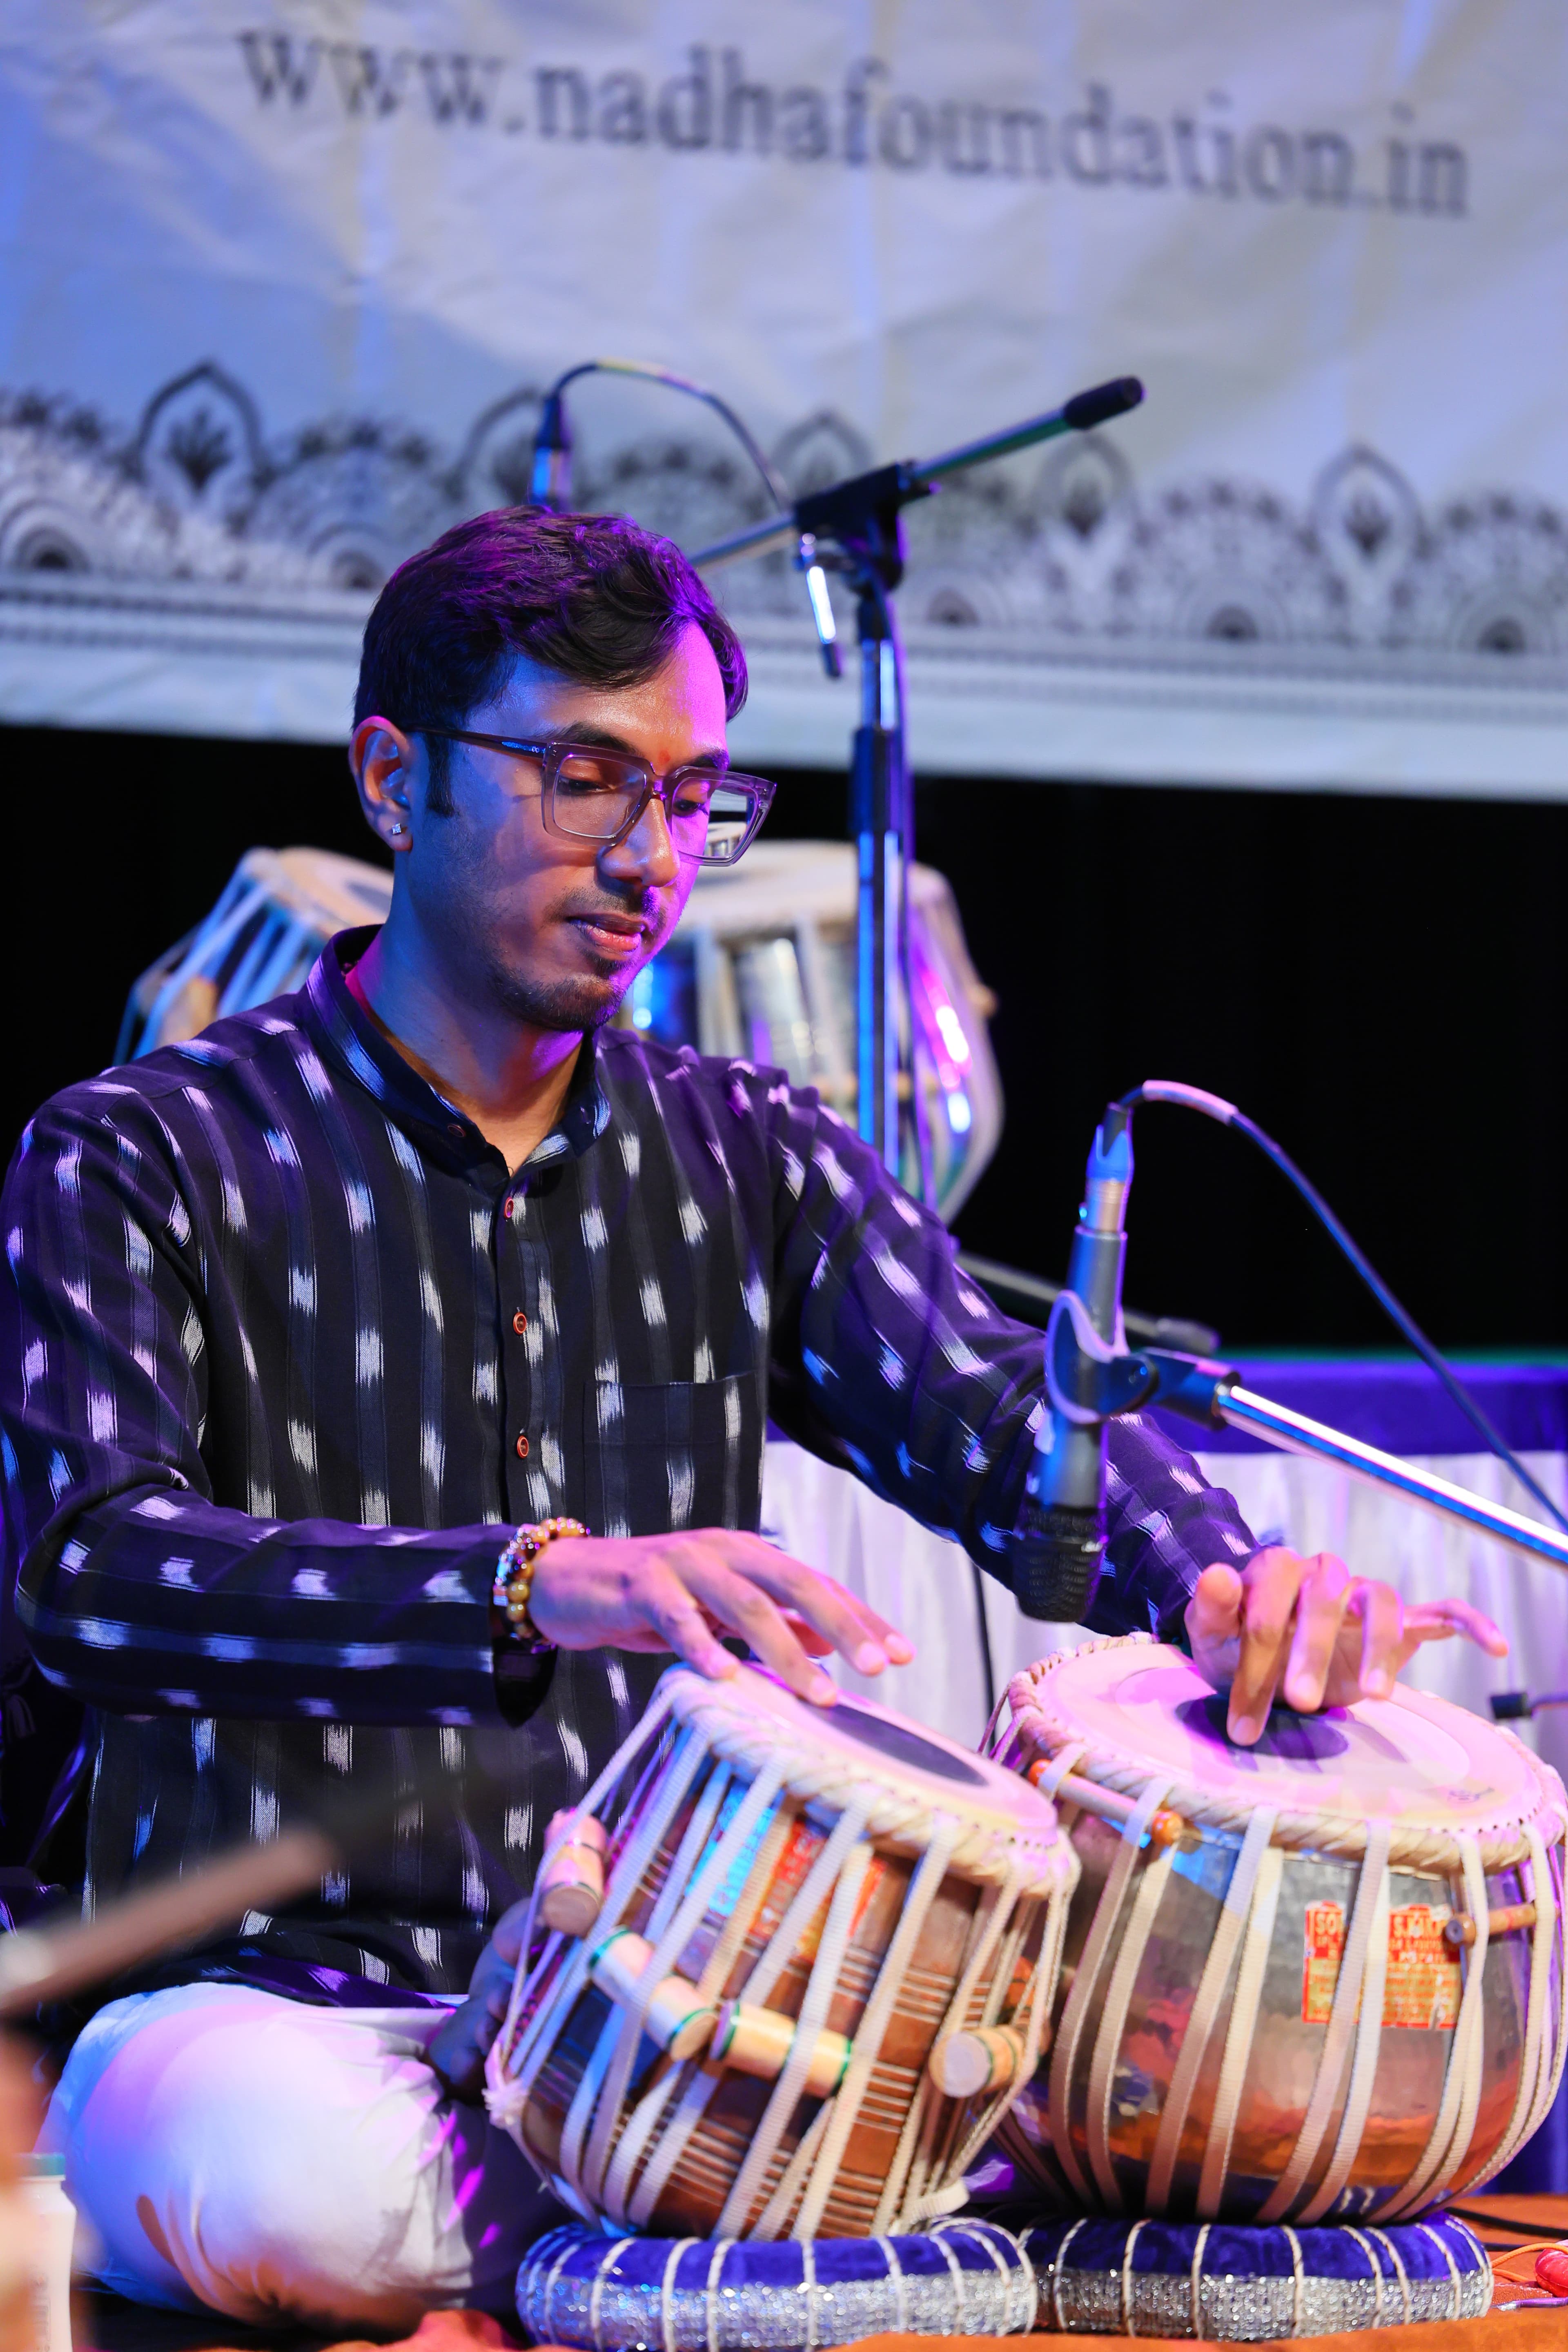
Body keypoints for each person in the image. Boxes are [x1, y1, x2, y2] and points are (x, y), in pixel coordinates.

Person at [0, 509, 1502, 2329]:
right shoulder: (139, 1149)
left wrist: (1225, 1581)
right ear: (394, 780)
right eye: (585, 779)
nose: (654, 857)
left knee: (1090, 2092)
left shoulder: (740, 1150)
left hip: (681, 2019)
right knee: (304, 2192)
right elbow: (93, 1570)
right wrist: (538, 1584)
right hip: (274, 2006)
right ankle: (753, 2255)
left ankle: (691, 2243)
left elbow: (998, 1416)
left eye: (697, 794)